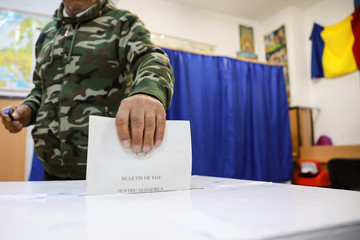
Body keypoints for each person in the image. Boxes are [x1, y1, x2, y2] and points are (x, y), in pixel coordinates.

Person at [0, 0, 174, 180]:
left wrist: (147, 92)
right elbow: (41, 89)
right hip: (51, 170)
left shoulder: (122, 22)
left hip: (106, 170)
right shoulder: (48, 32)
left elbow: (152, 58)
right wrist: (27, 109)